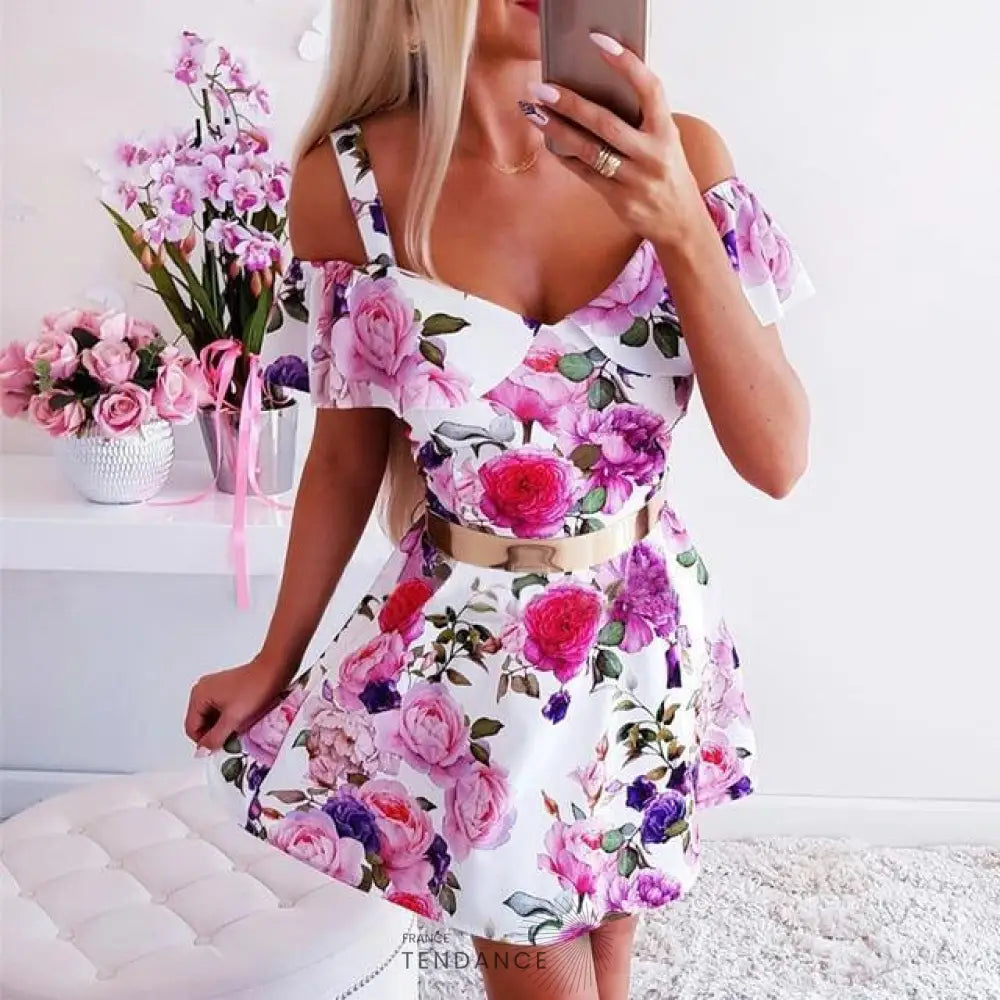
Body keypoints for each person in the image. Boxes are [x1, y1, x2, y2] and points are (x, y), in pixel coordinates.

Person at [185, 2, 813, 997]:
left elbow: (778, 458)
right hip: (470, 662)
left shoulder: (682, 157)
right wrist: (277, 656)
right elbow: (345, 460)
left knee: (606, 954)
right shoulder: (348, 184)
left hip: (641, 633)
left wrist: (680, 225)